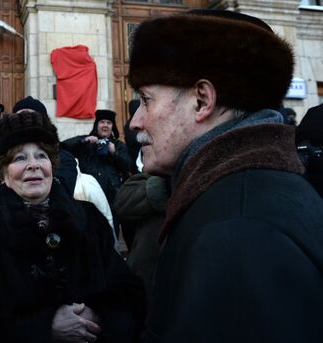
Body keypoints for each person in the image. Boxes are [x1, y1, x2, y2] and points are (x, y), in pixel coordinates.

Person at [128, 9, 323, 342]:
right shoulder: (244, 192)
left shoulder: (236, 228)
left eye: (146, 100)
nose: (135, 123)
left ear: (202, 100)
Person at [0, 110, 145, 342]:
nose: (33, 165)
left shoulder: (88, 218)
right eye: (20, 158)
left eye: (41, 156)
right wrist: (44, 326)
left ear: (52, 165)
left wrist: (99, 317)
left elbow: (127, 290)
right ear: (2, 171)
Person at [62, 109, 130, 205]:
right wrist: (83, 141)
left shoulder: (118, 145)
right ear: (96, 125)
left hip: (113, 196)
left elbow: (127, 166)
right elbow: (63, 147)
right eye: (102, 122)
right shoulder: (86, 141)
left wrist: (114, 152)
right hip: (89, 196)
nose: (105, 125)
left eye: (109, 123)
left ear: (112, 126)